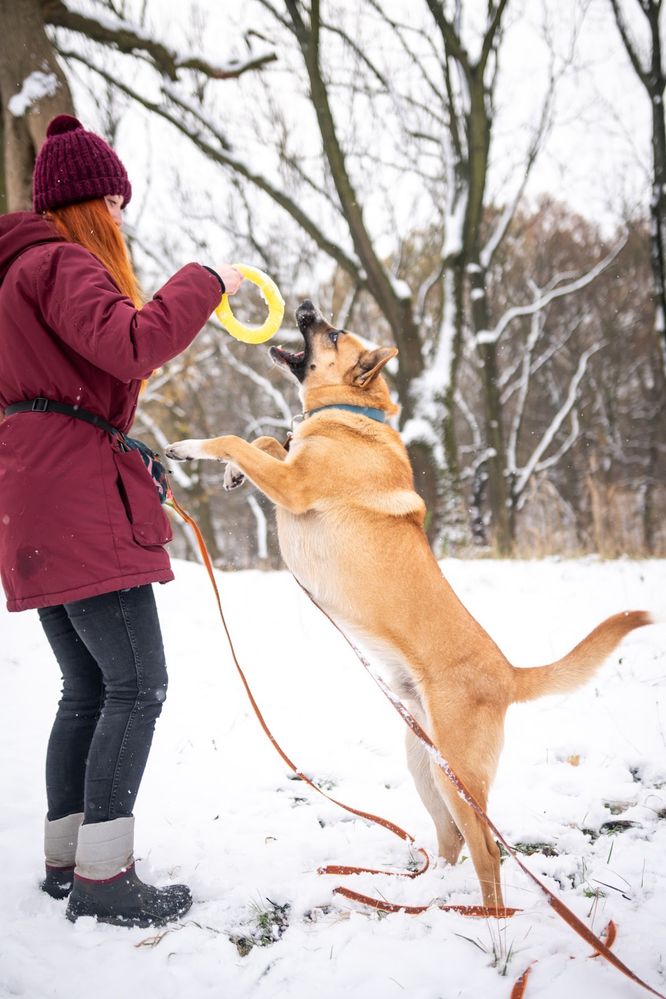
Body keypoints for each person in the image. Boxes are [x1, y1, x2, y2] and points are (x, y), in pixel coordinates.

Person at [0, 114, 243, 927]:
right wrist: (205, 279)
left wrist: (118, 446)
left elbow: (52, 394)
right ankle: (106, 881)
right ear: (92, 203)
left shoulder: (12, 277)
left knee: (88, 684)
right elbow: (134, 343)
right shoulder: (61, 262)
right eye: (115, 202)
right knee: (138, 682)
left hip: (31, 496)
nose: (121, 220)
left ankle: (68, 861)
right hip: (71, 501)